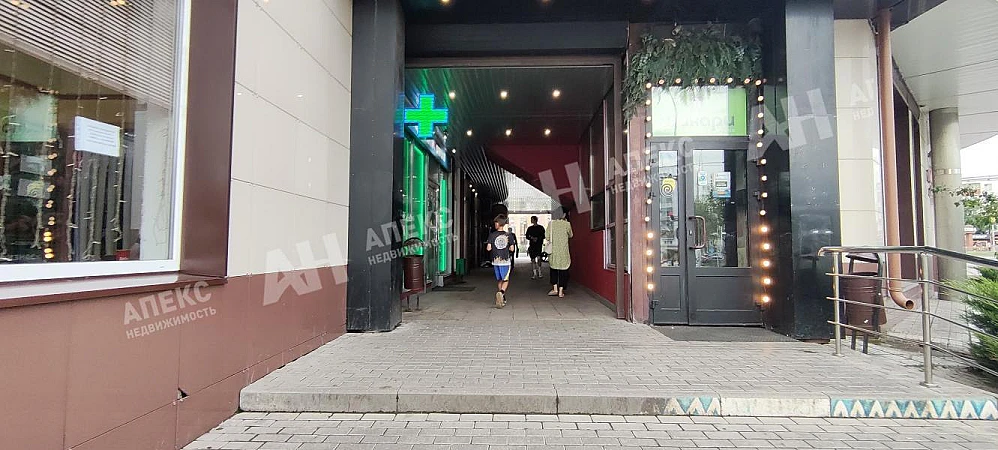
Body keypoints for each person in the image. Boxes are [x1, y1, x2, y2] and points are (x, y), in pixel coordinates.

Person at [486, 214, 515, 308]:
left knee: (499, 280)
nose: (495, 224)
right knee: (505, 280)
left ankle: (503, 298)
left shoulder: (492, 235)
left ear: (499, 223)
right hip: (505, 261)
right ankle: (502, 293)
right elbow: (512, 249)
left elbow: (488, 248)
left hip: (495, 261)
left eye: (496, 222)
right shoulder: (508, 235)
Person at [547, 206, 573, 297]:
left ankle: (555, 289)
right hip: (564, 251)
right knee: (564, 271)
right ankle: (561, 291)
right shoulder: (567, 224)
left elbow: (547, 237)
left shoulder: (551, 224)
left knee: (553, 269)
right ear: (564, 214)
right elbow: (571, 235)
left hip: (554, 251)